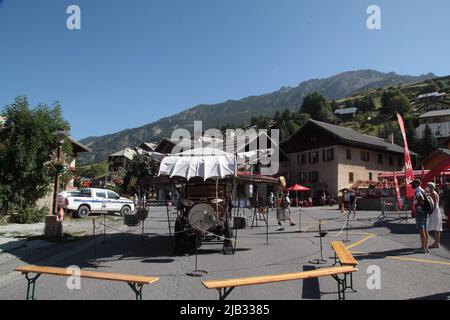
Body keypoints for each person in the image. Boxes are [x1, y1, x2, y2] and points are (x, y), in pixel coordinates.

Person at [411, 179, 429, 253]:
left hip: (420, 211)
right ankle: (426, 246)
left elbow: (421, 199)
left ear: (417, 184)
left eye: (413, 183)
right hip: (424, 212)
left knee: (422, 230)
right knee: (425, 229)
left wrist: (417, 205)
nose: (412, 185)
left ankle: (423, 248)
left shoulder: (417, 191)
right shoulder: (423, 190)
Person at [427, 182, 442, 249]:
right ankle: (436, 242)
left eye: (428, 186)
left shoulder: (433, 193)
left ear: (431, 187)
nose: (427, 187)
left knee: (436, 227)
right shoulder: (434, 192)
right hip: (436, 210)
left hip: (435, 211)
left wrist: (431, 212)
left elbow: (434, 204)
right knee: (437, 227)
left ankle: (436, 243)